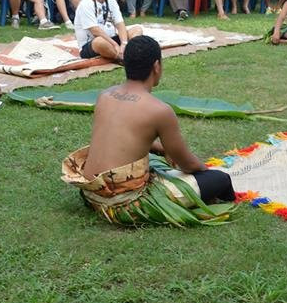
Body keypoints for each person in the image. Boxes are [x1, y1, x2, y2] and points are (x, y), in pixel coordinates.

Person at [61, 35, 237, 226]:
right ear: (156, 66)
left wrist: (161, 149)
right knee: (221, 179)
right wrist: (205, 172)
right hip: (124, 205)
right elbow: (188, 165)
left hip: (90, 194)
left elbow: (124, 138)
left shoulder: (105, 95)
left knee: (151, 159)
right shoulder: (160, 110)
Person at [74, 0, 142, 61]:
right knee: (99, 41)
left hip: (111, 38)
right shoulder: (85, 4)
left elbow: (120, 24)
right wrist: (114, 44)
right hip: (92, 43)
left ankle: (126, 52)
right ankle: (122, 58)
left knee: (137, 30)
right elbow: (95, 31)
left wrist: (124, 43)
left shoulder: (111, 1)